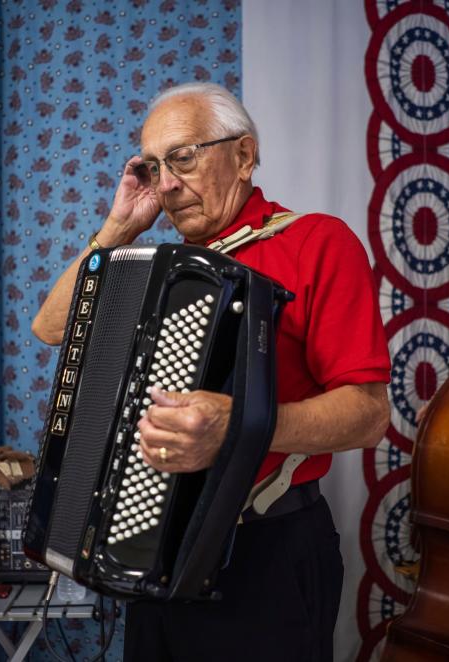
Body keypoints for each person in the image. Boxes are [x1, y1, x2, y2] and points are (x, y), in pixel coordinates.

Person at [32, 82, 391, 661]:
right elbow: (52, 328)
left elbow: (369, 414)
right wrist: (120, 226)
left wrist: (241, 425)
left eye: (183, 157)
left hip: (264, 551)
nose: (168, 183)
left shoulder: (316, 242)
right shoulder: (147, 268)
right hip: (151, 546)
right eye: (153, 166)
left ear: (245, 156)